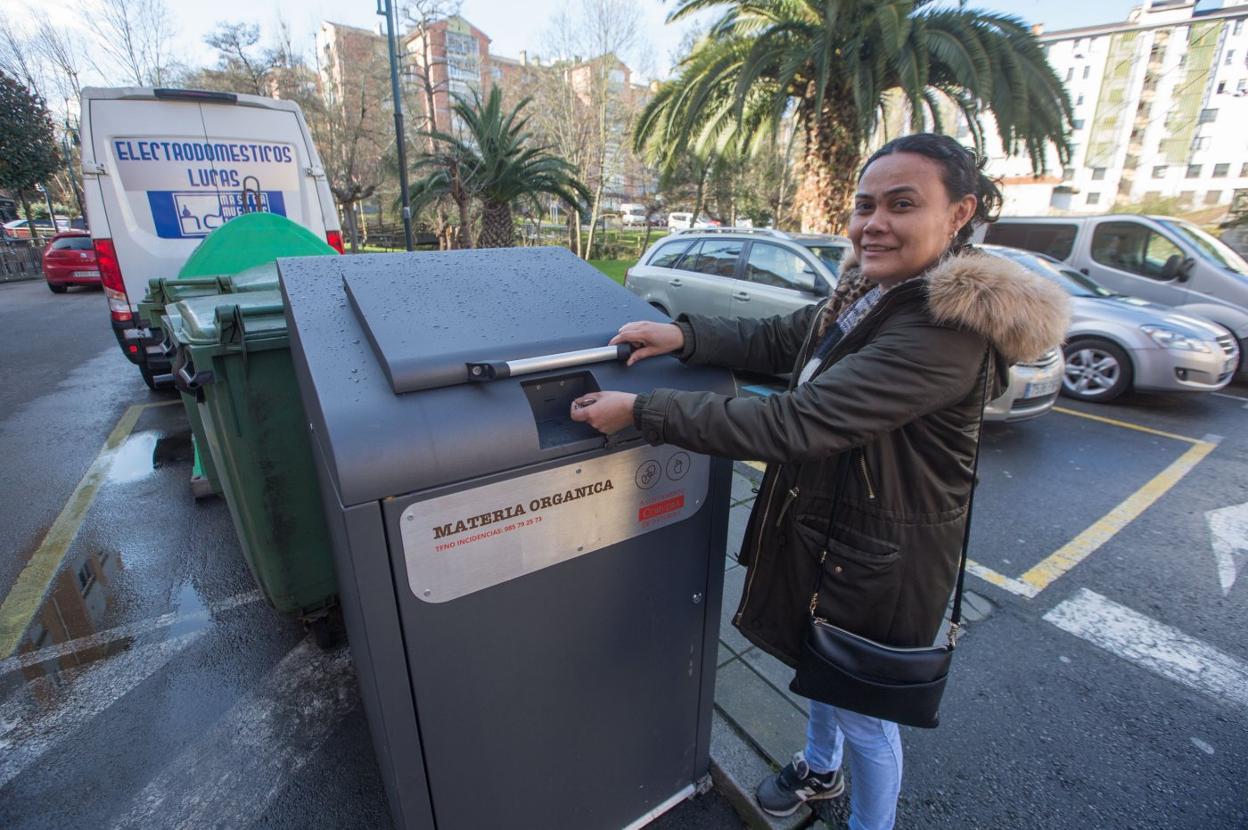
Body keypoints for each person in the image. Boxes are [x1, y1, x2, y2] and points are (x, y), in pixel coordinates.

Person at [569, 134, 1070, 830]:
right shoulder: (880, 292)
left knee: (865, 711)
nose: (874, 223)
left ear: (960, 215)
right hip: (834, 530)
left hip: (883, 557)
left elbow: (797, 424)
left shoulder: (943, 331)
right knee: (821, 666)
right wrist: (685, 338)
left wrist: (644, 411)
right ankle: (817, 768)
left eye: (902, 204)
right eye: (865, 205)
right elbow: (787, 339)